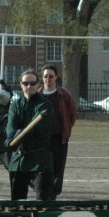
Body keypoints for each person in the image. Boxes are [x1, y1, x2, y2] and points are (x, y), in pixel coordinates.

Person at [7, 69, 54, 200]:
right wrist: (11, 137)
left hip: (40, 159)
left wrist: (17, 136)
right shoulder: (15, 104)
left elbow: (34, 128)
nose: (29, 86)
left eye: (32, 83)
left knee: (43, 200)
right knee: (17, 202)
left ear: (38, 84)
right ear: (20, 84)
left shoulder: (45, 105)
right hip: (19, 159)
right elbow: (11, 126)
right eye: (25, 83)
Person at [40, 64, 78, 197]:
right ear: (42, 78)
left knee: (58, 171)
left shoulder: (64, 95)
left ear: (56, 77)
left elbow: (72, 114)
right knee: (43, 170)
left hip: (59, 139)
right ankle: (44, 194)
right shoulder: (37, 95)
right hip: (42, 141)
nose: (48, 79)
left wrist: (66, 129)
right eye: (45, 76)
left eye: (51, 76)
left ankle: (53, 196)